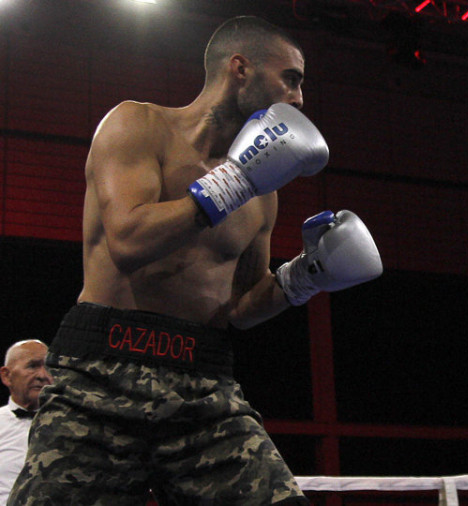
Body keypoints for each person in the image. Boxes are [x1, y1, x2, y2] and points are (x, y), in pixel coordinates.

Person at [9, 16, 382, 505]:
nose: (299, 99)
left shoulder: (264, 194)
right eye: (290, 77)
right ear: (240, 68)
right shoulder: (138, 125)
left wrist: (302, 277)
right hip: (99, 374)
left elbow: (242, 306)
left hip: (202, 382)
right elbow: (128, 238)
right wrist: (233, 183)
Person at [0, 341, 53, 505]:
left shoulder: (74, 425)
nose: (42, 375)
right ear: (7, 376)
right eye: (33, 366)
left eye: (48, 367)